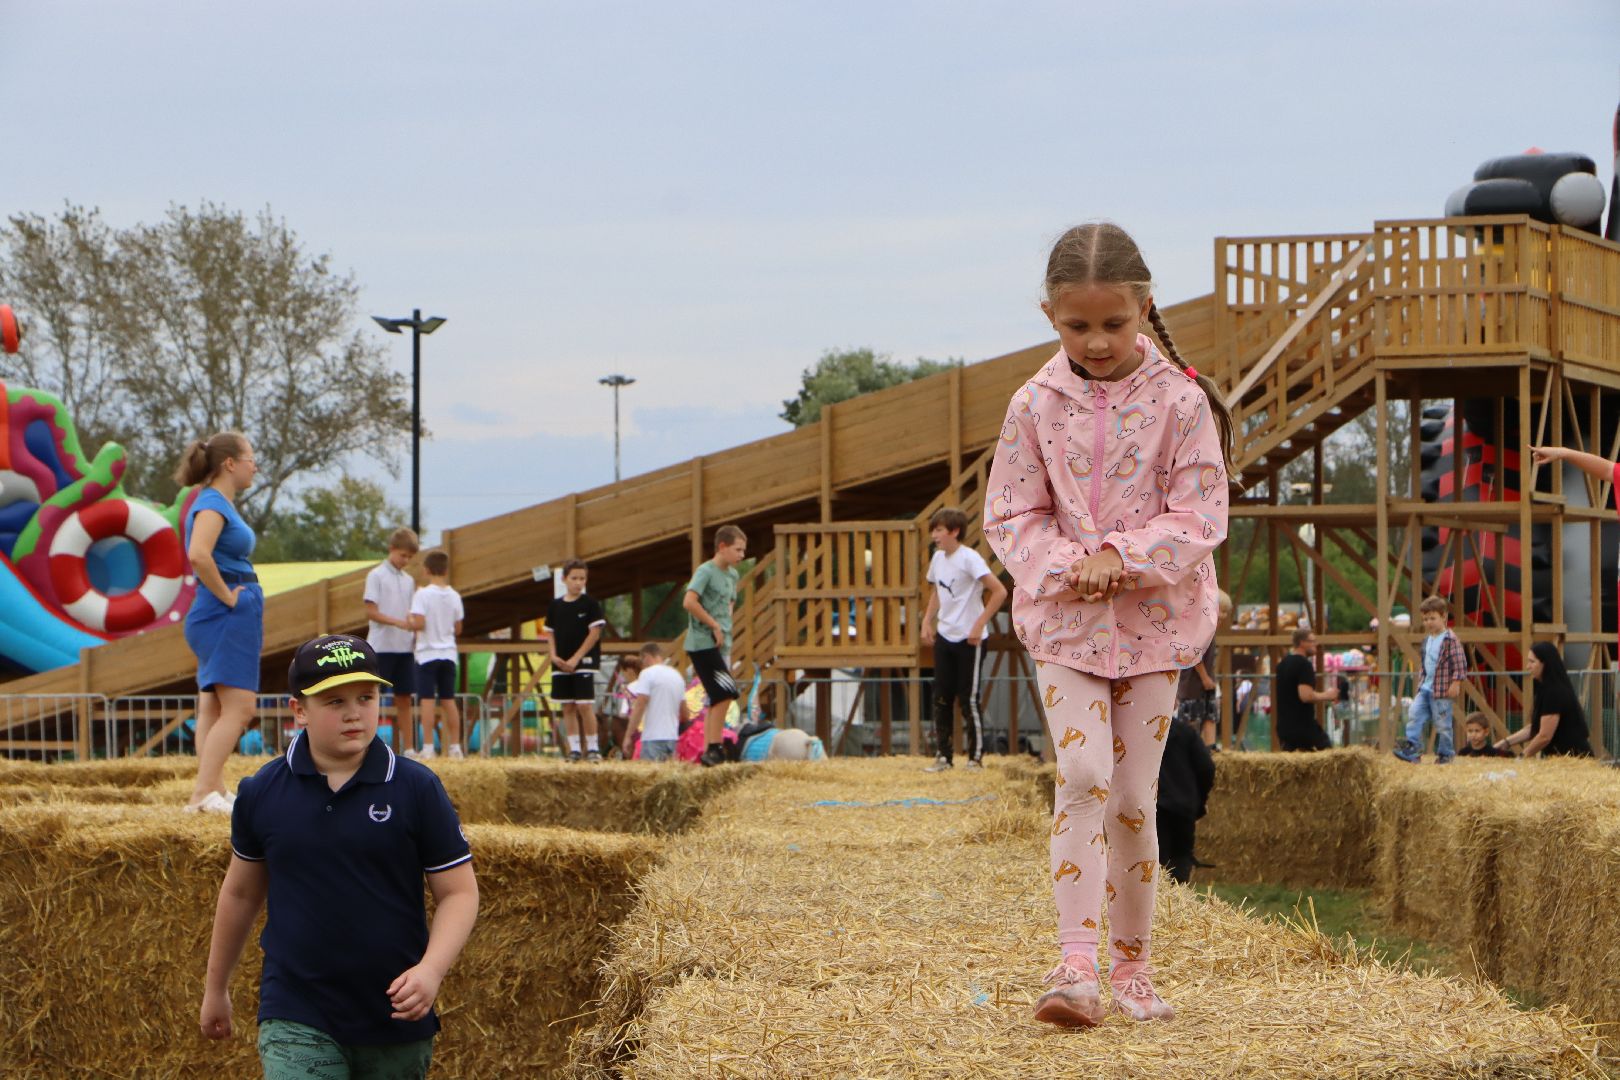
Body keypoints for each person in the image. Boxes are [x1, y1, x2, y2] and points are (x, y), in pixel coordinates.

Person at [984, 222, 1232, 1027]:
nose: (1095, 341)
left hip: (1157, 627)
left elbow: (1202, 514)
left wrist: (1121, 557)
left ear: (1145, 308)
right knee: (1083, 775)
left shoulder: (1182, 403)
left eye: (1113, 324)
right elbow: (1011, 513)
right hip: (1064, 628)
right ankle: (1075, 966)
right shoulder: (1031, 404)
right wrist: (1067, 567)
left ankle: (1133, 969)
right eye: (1076, 325)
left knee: (1133, 799)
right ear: (1050, 314)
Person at [199, 634, 478, 1078]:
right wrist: (217, 988)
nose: (354, 712)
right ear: (299, 711)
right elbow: (239, 895)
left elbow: (459, 893)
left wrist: (430, 971)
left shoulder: (416, 788)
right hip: (295, 1008)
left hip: (394, 1013)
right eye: (334, 701)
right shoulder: (262, 792)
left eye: (366, 697)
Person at [178, 432, 263, 814]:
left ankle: (211, 788)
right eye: (250, 458)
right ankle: (201, 793)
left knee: (212, 706)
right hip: (223, 612)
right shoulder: (212, 503)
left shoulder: (215, 501)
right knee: (240, 708)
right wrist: (229, 596)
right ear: (230, 463)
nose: (254, 465)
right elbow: (198, 554)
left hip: (217, 613)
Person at [920, 507, 1007, 772]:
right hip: (945, 634)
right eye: (933, 530)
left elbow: (999, 591)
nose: (934, 535)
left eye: (939, 530)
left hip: (971, 639)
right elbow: (938, 592)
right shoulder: (937, 559)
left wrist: (979, 624)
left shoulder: (970, 558)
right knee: (941, 696)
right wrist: (926, 621)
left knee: (968, 697)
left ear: (954, 531)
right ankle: (944, 757)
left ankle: (975, 758)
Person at [682, 524, 748, 767]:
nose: (742, 555)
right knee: (726, 691)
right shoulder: (706, 571)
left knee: (719, 696)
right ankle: (714, 746)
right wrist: (713, 625)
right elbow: (689, 602)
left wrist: (725, 625)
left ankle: (712, 748)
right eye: (738, 550)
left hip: (722, 644)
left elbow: (728, 603)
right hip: (702, 643)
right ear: (722, 547)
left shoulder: (732, 575)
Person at [543, 559, 609, 763]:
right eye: (574, 578)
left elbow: (594, 633)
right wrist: (553, 656)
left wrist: (576, 658)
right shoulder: (555, 606)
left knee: (584, 705)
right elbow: (550, 633)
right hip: (560, 662)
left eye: (582, 579)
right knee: (568, 706)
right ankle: (573, 749)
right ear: (564, 579)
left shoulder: (590, 605)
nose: (578, 583)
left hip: (583, 661)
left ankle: (592, 747)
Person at [365, 527, 421, 754]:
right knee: (373, 697)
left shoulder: (409, 580)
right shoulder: (376, 575)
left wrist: (412, 626)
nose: (405, 561)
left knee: (404, 697)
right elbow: (371, 611)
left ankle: (409, 748)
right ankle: (370, 745)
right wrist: (397, 622)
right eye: (403, 555)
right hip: (381, 646)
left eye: (409, 557)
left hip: (404, 647)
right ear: (392, 549)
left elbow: (410, 610)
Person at [1393, 596, 1468, 764]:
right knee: (1414, 713)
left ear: (1444, 617)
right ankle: (1413, 747)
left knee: (1442, 723)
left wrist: (1456, 682)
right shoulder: (1427, 640)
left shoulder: (1450, 640)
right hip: (1426, 687)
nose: (1429, 622)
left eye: (1432, 618)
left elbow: (1460, 663)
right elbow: (1425, 664)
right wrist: (1421, 682)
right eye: (1425, 619)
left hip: (1441, 690)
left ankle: (1446, 753)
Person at [408, 550, 465, 761]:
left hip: (427, 653)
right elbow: (458, 628)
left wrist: (410, 620)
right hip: (448, 653)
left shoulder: (422, 595)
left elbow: (419, 623)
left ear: (426, 570)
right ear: (446, 570)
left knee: (428, 701)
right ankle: (455, 747)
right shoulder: (454, 596)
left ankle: (429, 747)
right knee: (449, 700)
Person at [1496, 641, 1594, 758]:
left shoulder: (1554, 692)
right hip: (1560, 759)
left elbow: (1544, 736)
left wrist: (1522, 756)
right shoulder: (1546, 689)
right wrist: (1506, 742)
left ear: (1545, 664)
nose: (1528, 666)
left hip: (1573, 759)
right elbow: (1535, 728)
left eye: (1532, 662)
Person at [1156, 710, 1215, 884]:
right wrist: (1199, 799)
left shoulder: (1137, 733)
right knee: (1181, 855)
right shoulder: (1186, 732)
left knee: (1157, 859)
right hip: (1184, 806)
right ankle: (1178, 899)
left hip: (1154, 806)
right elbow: (1207, 768)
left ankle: (1159, 902)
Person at [1176, 590, 1233, 749]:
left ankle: (1211, 746)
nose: (1224, 616)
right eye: (1222, 611)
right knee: (1192, 715)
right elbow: (1193, 655)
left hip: (1207, 680)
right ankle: (1190, 747)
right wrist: (1205, 677)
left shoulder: (1212, 629)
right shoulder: (1200, 627)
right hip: (1193, 683)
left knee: (1210, 713)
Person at [622, 642, 693, 762]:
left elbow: (640, 706)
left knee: (650, 778)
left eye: (642, 660)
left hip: (652, 737)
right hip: (672, 738)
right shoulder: (677, 676)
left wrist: (628, 735)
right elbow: (685, 714)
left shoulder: (647, 674)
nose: (642, 665)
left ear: (647, 657)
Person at [1274, 627, 1340, 752]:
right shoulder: (1304, 664)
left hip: (1283, 727)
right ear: (1302, 643)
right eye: (1313, 641)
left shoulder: (1282, 665)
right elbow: (1306, 696)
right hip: (1303, 725)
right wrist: (1328, 695)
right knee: (1330, 758)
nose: (1316, 644)